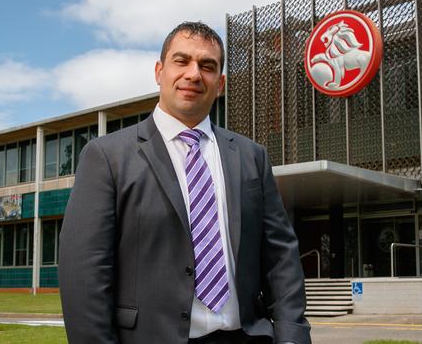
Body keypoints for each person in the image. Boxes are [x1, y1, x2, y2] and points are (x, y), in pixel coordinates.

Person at [59, 21, 311, 344]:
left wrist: (291, 337)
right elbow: (84, 275)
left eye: (207, 66)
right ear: (159, 71)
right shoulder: (106, 157)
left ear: (219, 83)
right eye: (182, 61)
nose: (194, 74)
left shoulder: (252, 157)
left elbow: (282, 259)